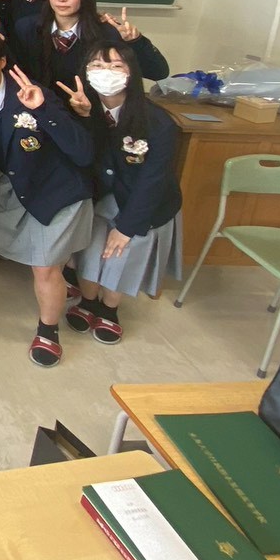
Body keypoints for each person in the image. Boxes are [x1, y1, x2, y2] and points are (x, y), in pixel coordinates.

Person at [0, 29, 95, 368]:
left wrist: (43, 109)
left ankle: (48, 331)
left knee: (43, 268)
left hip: (55, 190)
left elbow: (83, 151)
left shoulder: (32, 94)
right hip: (12, 185)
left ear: (3, 61)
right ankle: (62, 269)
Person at [63, 45, 183, 345]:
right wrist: (84, 118)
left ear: (131, 73)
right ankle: (88, 301)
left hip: (143, 202)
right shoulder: (82, 108)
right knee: (91, 246)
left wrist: (127, 228)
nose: (106, 73)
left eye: (116, 66)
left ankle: (109, 308)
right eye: (97, 65)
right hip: (100, 196)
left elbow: (153, 181)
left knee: (120, 251)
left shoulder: (158, 122)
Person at [14, 0, 170, 90]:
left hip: (90, 112)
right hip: (40, 108)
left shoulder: (105, 33)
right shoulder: (27, 28)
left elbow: (158, 72)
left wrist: (136, 41)